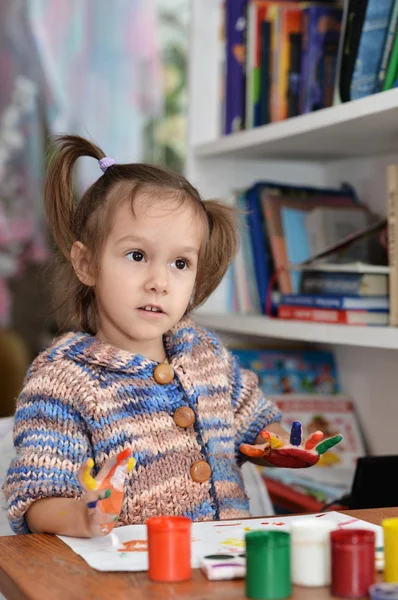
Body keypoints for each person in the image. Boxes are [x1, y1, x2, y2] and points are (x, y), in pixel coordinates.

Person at [3, 135, 341, 538]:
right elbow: (36, 500)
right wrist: (82, 515)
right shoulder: (62, 381)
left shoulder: (204, 353)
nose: (159, 282)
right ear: (86, 263)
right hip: (126, 582)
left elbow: (256, 425)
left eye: (180, 262)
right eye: (137, 256)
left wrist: (281, 447)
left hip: (223, 565)